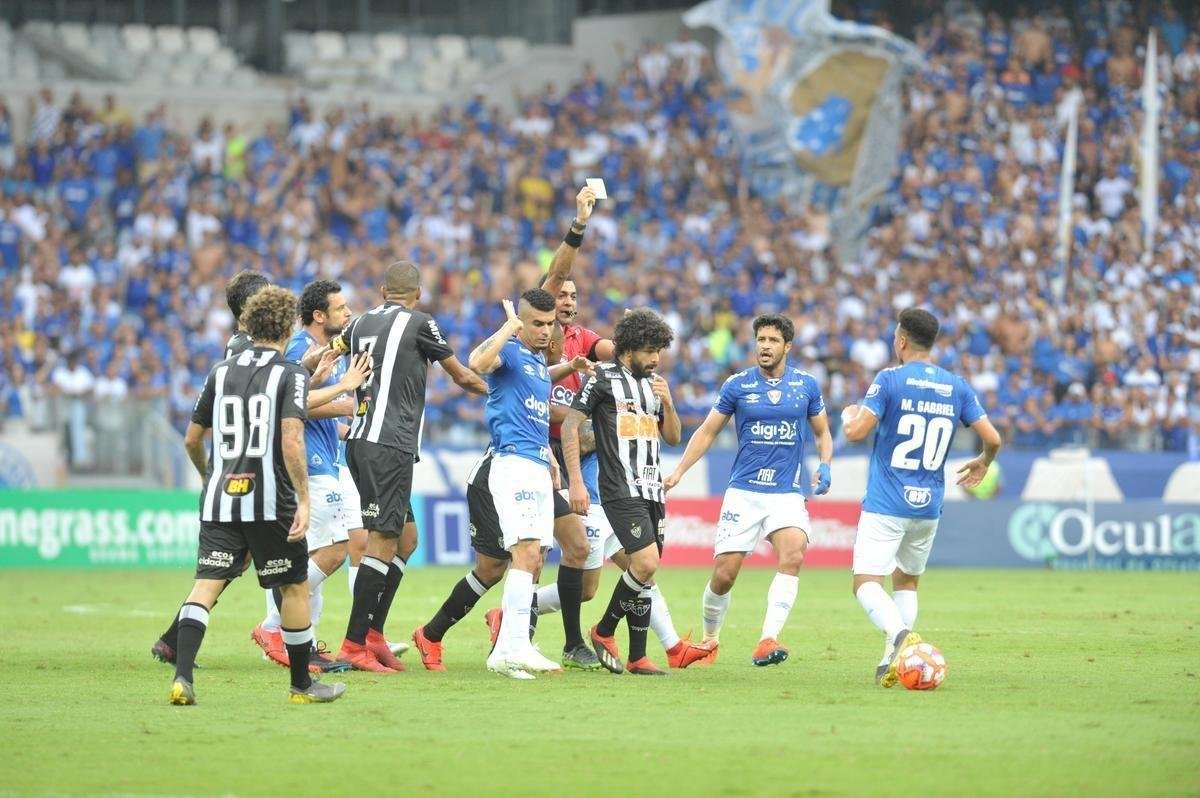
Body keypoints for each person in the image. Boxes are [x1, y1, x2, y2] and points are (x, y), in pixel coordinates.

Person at [171, 286, 345, 705]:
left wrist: (208, 476)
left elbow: (192, 439)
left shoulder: (220, 372)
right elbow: (291, 440)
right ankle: (302, 685)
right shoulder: (289, 374)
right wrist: (303, 498)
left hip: (221, 497)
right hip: (270, 500)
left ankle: (182, 678)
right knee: (294, 588)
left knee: (204, 588)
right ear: (287, 327)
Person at [334, 260, 486, 672]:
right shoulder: (421, 323)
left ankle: (373, 633)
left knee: (406, 538)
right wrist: (499, 393)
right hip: (388, 444)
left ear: (383, 292)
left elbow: (322, 355)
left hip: (363, 441)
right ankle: (353, 645)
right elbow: (462, 377)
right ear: (418, 294)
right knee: (383, 540)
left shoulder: (357, 324)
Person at [841, 308, 1001, 686]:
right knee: (907, 582)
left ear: (901, 341)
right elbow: (993, 438)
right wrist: (984, 461)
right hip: (928, 506)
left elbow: (856, 432)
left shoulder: (889, 379)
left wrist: (849, 416)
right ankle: (891, 660)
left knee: (865, 583)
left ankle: (900, 636)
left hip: (887, 502)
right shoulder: (956, 385)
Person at [664, 313, 833, 666]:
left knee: (793, 555)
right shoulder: (737, 385)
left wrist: (825, 463)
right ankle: (710, 640)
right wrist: (679, 470)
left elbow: (822, 432)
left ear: (788, 346)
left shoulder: (806, 385)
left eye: (773, 340)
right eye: (761, 340)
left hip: (786, 492)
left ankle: (767, 639)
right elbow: (707, 431)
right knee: (724, 576)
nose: (765, 346)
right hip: (744, 492)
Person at [457, 289, 584, 678]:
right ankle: (514, 647)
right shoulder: (510, 351)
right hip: (512, 463)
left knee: (536, 556)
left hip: (536, 464)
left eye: (550, 324)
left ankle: (509, 649)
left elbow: (538, 387)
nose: (546, 331)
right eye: (537, 324)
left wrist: (570, 365)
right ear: (522, 324)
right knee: (525, 552)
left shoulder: (536, 362)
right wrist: (508, 327)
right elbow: (477, 362)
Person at [562, 309, 695, 675]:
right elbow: (571, 425)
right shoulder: (602, 377)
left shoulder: (655, 384)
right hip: (619, 486)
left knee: (643, 573)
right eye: (649, 351)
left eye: (659, 351)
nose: (655, 359)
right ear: (628, 348)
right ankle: (604, 630)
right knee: (646, 563)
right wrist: (576, 480)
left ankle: (638, 657)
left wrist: (669, 404)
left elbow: (673, 437)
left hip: (653, 489)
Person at [150, 269, 268, 665]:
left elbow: (194, 437)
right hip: (244, 473)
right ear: (252, 307)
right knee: (274, 562)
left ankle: (172, 640)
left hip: (231, 471)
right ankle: (297, 650)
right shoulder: (250, 351)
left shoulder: (238, 347)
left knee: (230, 567)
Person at [252, 280, 370, 673]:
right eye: (341, 308)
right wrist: (342, 401)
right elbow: (293, 405)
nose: (348, 313)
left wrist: (340, 424)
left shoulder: (325, 351)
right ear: (319, 315)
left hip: (326, 458)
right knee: (334, 550)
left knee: (326, 549)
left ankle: (303, 642)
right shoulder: (300, 348)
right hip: (309, 464)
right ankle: (274, 626)